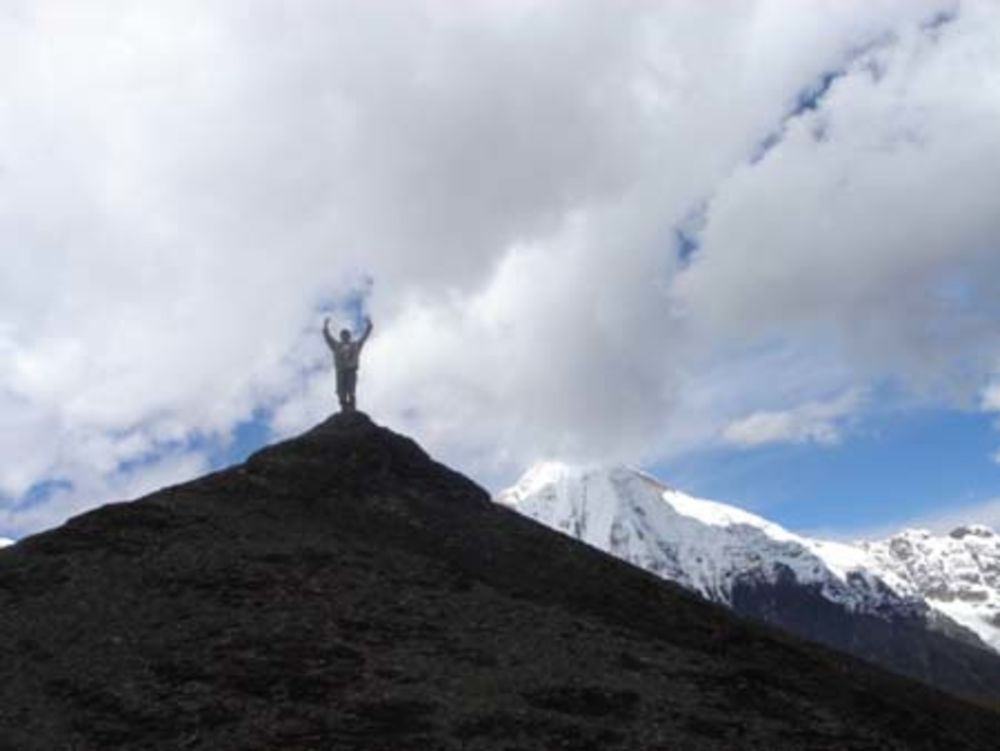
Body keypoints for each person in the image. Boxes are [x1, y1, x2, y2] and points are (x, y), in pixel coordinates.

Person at [323, 316, 373, 412]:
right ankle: (344, 408)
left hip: (351, 369)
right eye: (343, 335)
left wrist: (369, 326)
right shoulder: (337, 346)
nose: (345, 337)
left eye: (346, 335)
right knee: (341, 391)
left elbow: (364, 337)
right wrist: (325, 327)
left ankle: (352, 408)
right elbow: (328, 338)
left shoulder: (355, 345)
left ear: (349, 336)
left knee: (351, 390)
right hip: (341, 370)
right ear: (341, 337)